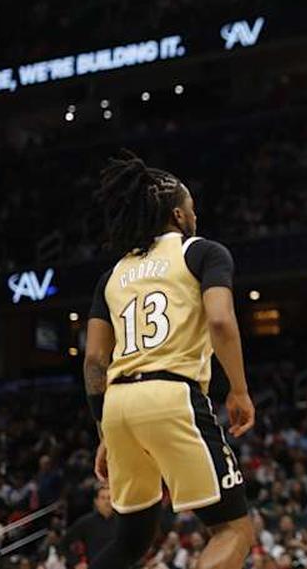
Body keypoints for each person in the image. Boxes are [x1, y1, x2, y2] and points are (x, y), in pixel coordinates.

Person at [84, 152, 256, 569]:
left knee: (132, 540)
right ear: (179, 215)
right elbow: (219, 320)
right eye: (192, 209)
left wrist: (104, 429)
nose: (195, 216)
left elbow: (93, 360)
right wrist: (238, 389)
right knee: (234, 530)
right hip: (171, 393)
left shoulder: (113, 275)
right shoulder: (203, 252)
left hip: (118, 406)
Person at [61, 485, 117, 565]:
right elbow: (63, 543)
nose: (107, 501)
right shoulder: (86, 522)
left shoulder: (122, 522)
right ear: (96, 501)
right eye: (103, 498)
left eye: (109, 498)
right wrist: (76, 563)